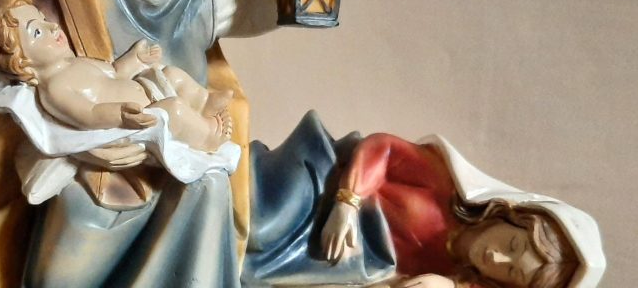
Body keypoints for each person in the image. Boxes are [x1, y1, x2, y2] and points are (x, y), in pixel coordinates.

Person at [0, 0, 340, 287]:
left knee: (210, 184)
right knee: (76, 218)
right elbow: (15, 93)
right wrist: (84, 142)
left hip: (180, 150)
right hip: (96, 177)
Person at [241, 118, 605, 287]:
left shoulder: (452, 275)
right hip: (324, 185)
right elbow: (383, 149)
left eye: (512, 272)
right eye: (512, 245)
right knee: (259, 226)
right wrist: (347, 204)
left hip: (336, 255)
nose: (497, 258)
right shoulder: (444, 188)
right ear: (511, 216)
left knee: (255, 273)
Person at [0, 0, 233, 152]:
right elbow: (88, 115)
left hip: (149, 90)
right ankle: (208, 137)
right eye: (37, 31)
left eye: (43, 19)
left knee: (173, 74)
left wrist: (135, 58)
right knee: (174, 111)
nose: (52, 27)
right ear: (23, 64)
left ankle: (204, 102)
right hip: (141, 118)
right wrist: (120, 115)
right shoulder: (55, 89)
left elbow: (114, 72)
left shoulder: (77, 64)